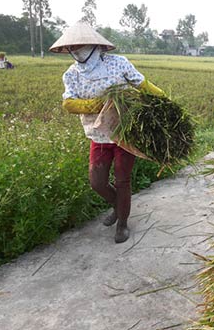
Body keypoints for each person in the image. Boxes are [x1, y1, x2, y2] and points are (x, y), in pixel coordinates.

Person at [49, 22, 165, 243]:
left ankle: (122, 223)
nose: (77, 51)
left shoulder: (118, 64)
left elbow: (141, 84)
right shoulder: (71, 75)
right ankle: (117, 205)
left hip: (124, 133)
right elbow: (69, 104)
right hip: (98, 134)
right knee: (97, 182)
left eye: (81, 46)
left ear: (95, 46)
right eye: (73, 47)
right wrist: (99, 104)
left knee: (122, 180)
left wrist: (164, 98)